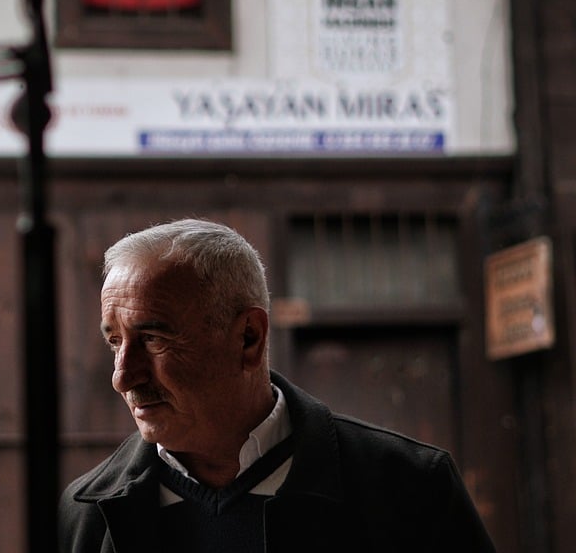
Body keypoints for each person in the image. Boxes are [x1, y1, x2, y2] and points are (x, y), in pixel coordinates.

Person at [59, 218, 495, 553]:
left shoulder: (410, 489)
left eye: (153, 339)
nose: (123, 376)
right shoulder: (86, 514)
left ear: (248, 337)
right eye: (115, 342)